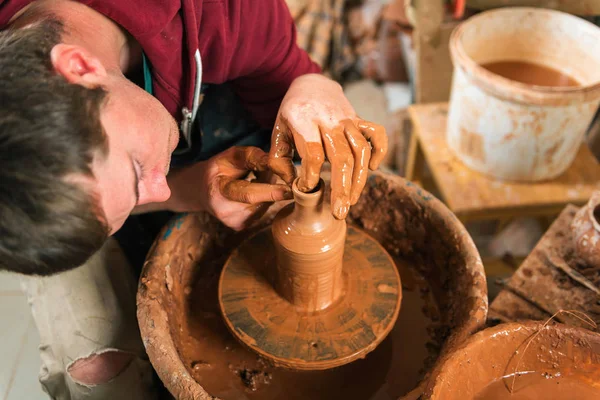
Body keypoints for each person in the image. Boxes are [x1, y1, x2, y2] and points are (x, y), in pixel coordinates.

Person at [0, 0, 387, 398]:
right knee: (95, 368)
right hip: (43, 201)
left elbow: (286, 75)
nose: (161, 188)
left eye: (137, 169)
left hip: (207, 75)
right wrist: (190, 189)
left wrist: (314, 84)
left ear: (80, 67)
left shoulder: (224, 10)